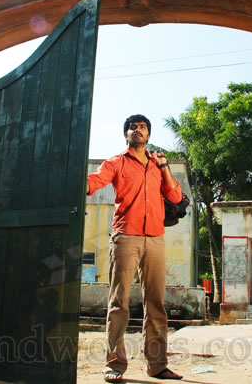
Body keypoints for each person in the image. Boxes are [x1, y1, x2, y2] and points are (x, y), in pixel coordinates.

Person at [86, 114, 184, 382]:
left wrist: (164, 167)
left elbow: (175, 196)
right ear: (126, 134)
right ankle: (114, 364)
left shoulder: (156, 165)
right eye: (132, 127)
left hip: (155, 238)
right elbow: (95, 180)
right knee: (119, 302)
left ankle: (157, 365)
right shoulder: (116, 163)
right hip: (125, 237)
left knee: (157, 304)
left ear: (149, 135)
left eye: (142, 127)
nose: (137, 130)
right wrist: (80, 184)